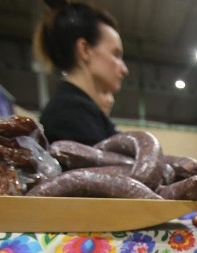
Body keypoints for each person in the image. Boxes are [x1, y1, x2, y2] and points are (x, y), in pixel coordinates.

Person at [34, 0, 128, 146]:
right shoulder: (69, 115)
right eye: (115, 55)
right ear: (85, 50)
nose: (124, 70)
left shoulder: (83, 113)